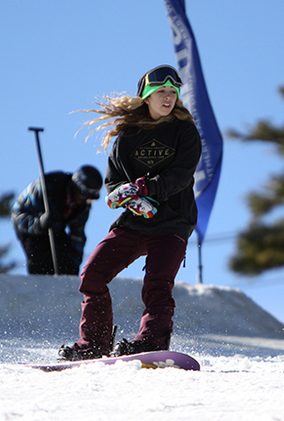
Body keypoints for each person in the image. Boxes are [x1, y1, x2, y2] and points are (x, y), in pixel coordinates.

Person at [58, 65, 202, 360]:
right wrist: (129, 199)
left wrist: (145, 189)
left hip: (173, 222)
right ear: (146, 97)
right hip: (135, 222)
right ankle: (94, 344)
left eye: (172, 92)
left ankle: (151, 341)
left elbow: (181, 176)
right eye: (161, 91)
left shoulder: (185, 131)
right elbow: (113, 181)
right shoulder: (128, 135)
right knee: (92, 275)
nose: (168, 97)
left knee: (157, 285)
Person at [11, 165, 103, 275]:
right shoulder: (47, 187)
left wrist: (74, 262)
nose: (86, 202)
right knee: (42, 263)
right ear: (76, 189)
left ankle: (66, 288)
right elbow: (18, 217)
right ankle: (40, 288)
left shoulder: (83, 207)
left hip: (56, 228)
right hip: (30, 228)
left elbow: (77, 235)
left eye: (90, 199)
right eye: (84, 197)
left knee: (66, 262)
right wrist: (40, 223)